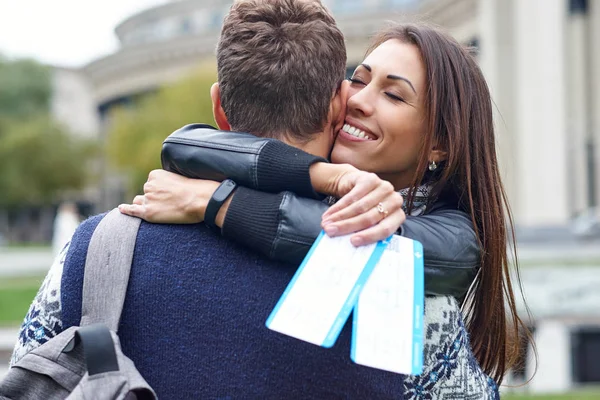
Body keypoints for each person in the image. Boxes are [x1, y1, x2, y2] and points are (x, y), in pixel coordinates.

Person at [10, 1, 413, 398]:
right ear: (338, 106)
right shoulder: (404, 275)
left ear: (219, 107)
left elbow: (28, 379)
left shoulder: (95, 248)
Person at [121, 21, 533, 398]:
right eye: (358, 80)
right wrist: (323, 176)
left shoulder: (429, 275)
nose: (358, 101)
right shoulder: (316, 186)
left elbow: (376, 241)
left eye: (393, 94)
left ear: (440, 143)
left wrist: (212, 201)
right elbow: (185, 144)